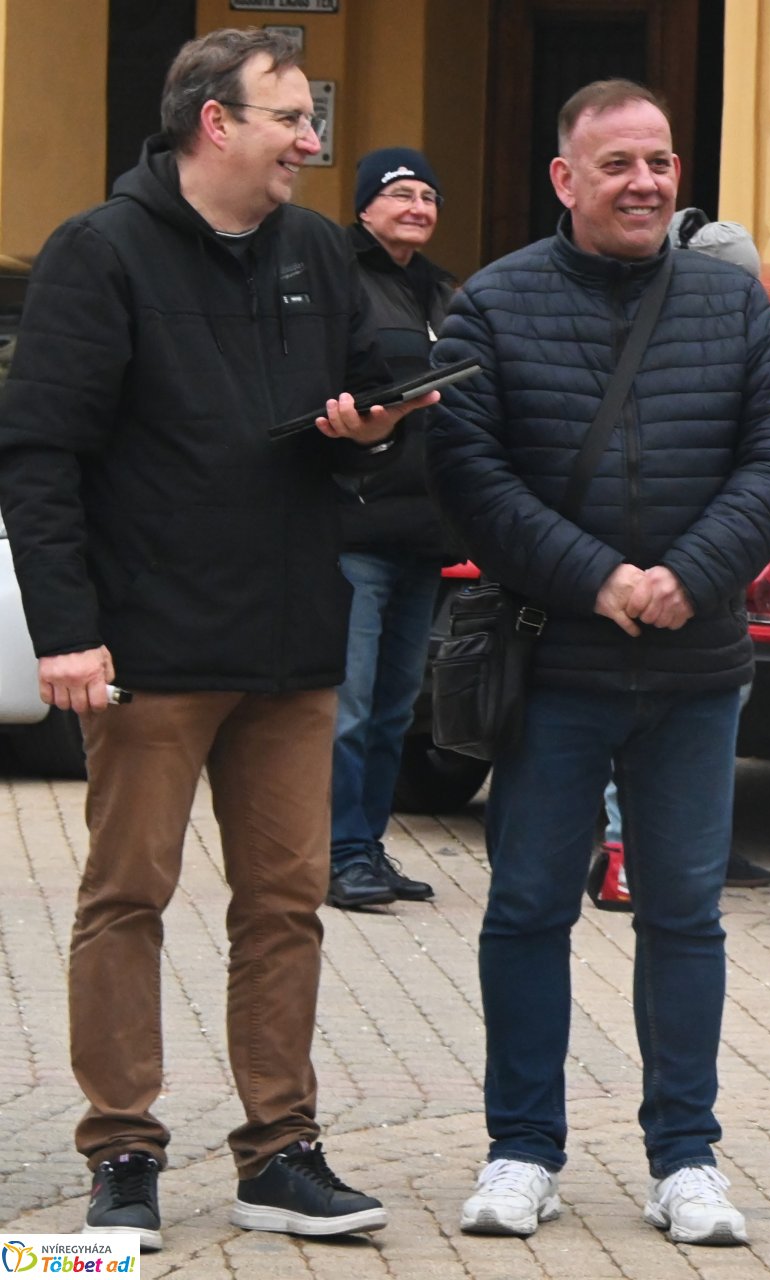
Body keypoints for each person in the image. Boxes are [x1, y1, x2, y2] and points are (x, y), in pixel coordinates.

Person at [0, 27, 436, 1252]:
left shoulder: (310, 250)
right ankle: (122, 1151)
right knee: (127, 895)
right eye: (292, 118)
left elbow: (374, 381)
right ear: (214, 125)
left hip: (295, 641)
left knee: (286, 902)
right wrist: (71, 632)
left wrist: (377, 420)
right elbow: (41, 458)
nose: (312, 141)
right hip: (146, 649)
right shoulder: (101, 252)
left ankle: (279, 1152)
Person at [426, 80, 770, 1245]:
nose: (644, 182)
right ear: (565, 179)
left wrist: (693, 571)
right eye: (617, 164)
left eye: (660, 161)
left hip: (695, 670)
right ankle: (521, 1148)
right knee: (530, 910)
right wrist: (595, 576)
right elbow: (469, 475)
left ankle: (685, 1157)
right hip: (556, 667)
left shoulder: (730, 302)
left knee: (685, 915)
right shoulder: (493, 305)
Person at [591, 206, 770, 901]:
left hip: (703, 587)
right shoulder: (653, 349)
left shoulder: (734, 354)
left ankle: (679, 852)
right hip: (639, 584)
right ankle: (621, 856)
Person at [326, 146, 461, 910]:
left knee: (393, 708)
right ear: (366, 205)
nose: (418, 207)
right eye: (402, 194)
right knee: (347, 706)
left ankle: (367, 845)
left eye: (428, 196)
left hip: (424, 532)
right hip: (358, 524)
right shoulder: (340, 277)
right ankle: (339, 851)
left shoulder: (440, 291)